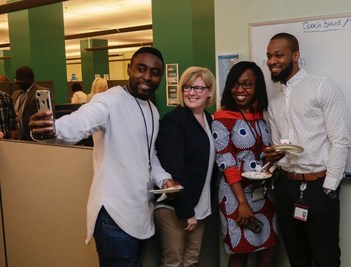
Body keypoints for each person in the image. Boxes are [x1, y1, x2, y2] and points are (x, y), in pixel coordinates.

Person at [29, 47, 180, 267]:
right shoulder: (108, 100)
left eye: (155, 72)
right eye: (141, 69)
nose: (147, 76)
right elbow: (81, 122)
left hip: (142, 214)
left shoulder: (152, 110)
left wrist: (164, 179)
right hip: (114, 216)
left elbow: (149, 155)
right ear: (129, 69)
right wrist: (53, 129)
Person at [264, 32, 351, 267]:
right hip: (287, 187)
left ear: (296, 55)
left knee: (326, 259)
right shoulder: (275, 103)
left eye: (279, 55)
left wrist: (329, 188)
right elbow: (280, 146)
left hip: (319, 187)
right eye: (269, 56)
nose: (272, 61)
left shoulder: (322, 87)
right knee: (298, 259)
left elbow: (340, 140)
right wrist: (273, 156)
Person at [211, 61, 278, 267]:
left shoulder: (260, 118)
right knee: (241, 250)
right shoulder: (222, 119)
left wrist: (274, 158)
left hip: (263, 193)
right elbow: (226, 162)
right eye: (235, 84)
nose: (240, 90)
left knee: (269, 249)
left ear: (257, 87)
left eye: (247, 84)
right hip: (235, 195)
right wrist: (242, 202)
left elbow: (261, 155)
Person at [155, 66, 219, 267]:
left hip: (199, 204)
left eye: (199, 88)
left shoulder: (208, 119)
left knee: (191, 261)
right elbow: (175, 169)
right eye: (187, 87)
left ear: (209, 91)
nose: (192, 93)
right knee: (174, 262)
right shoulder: (174, 121)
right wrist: (187, 211)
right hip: (176, 207)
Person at [11, 66, 55, 140]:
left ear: (29, 79)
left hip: (34, 138)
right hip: (17, 138)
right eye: (16, 79)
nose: (17, 82)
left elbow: (48, 116)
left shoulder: (42, 93)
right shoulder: (15, 94)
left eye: (20, 80)